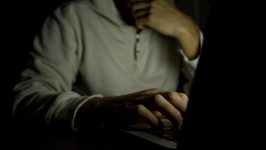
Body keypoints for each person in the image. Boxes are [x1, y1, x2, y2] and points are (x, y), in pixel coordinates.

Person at [12, 0, 202, 131]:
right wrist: (100, 108)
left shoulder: (179, 25)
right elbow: (25, 101)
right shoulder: (73, 15)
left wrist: (188, 32)